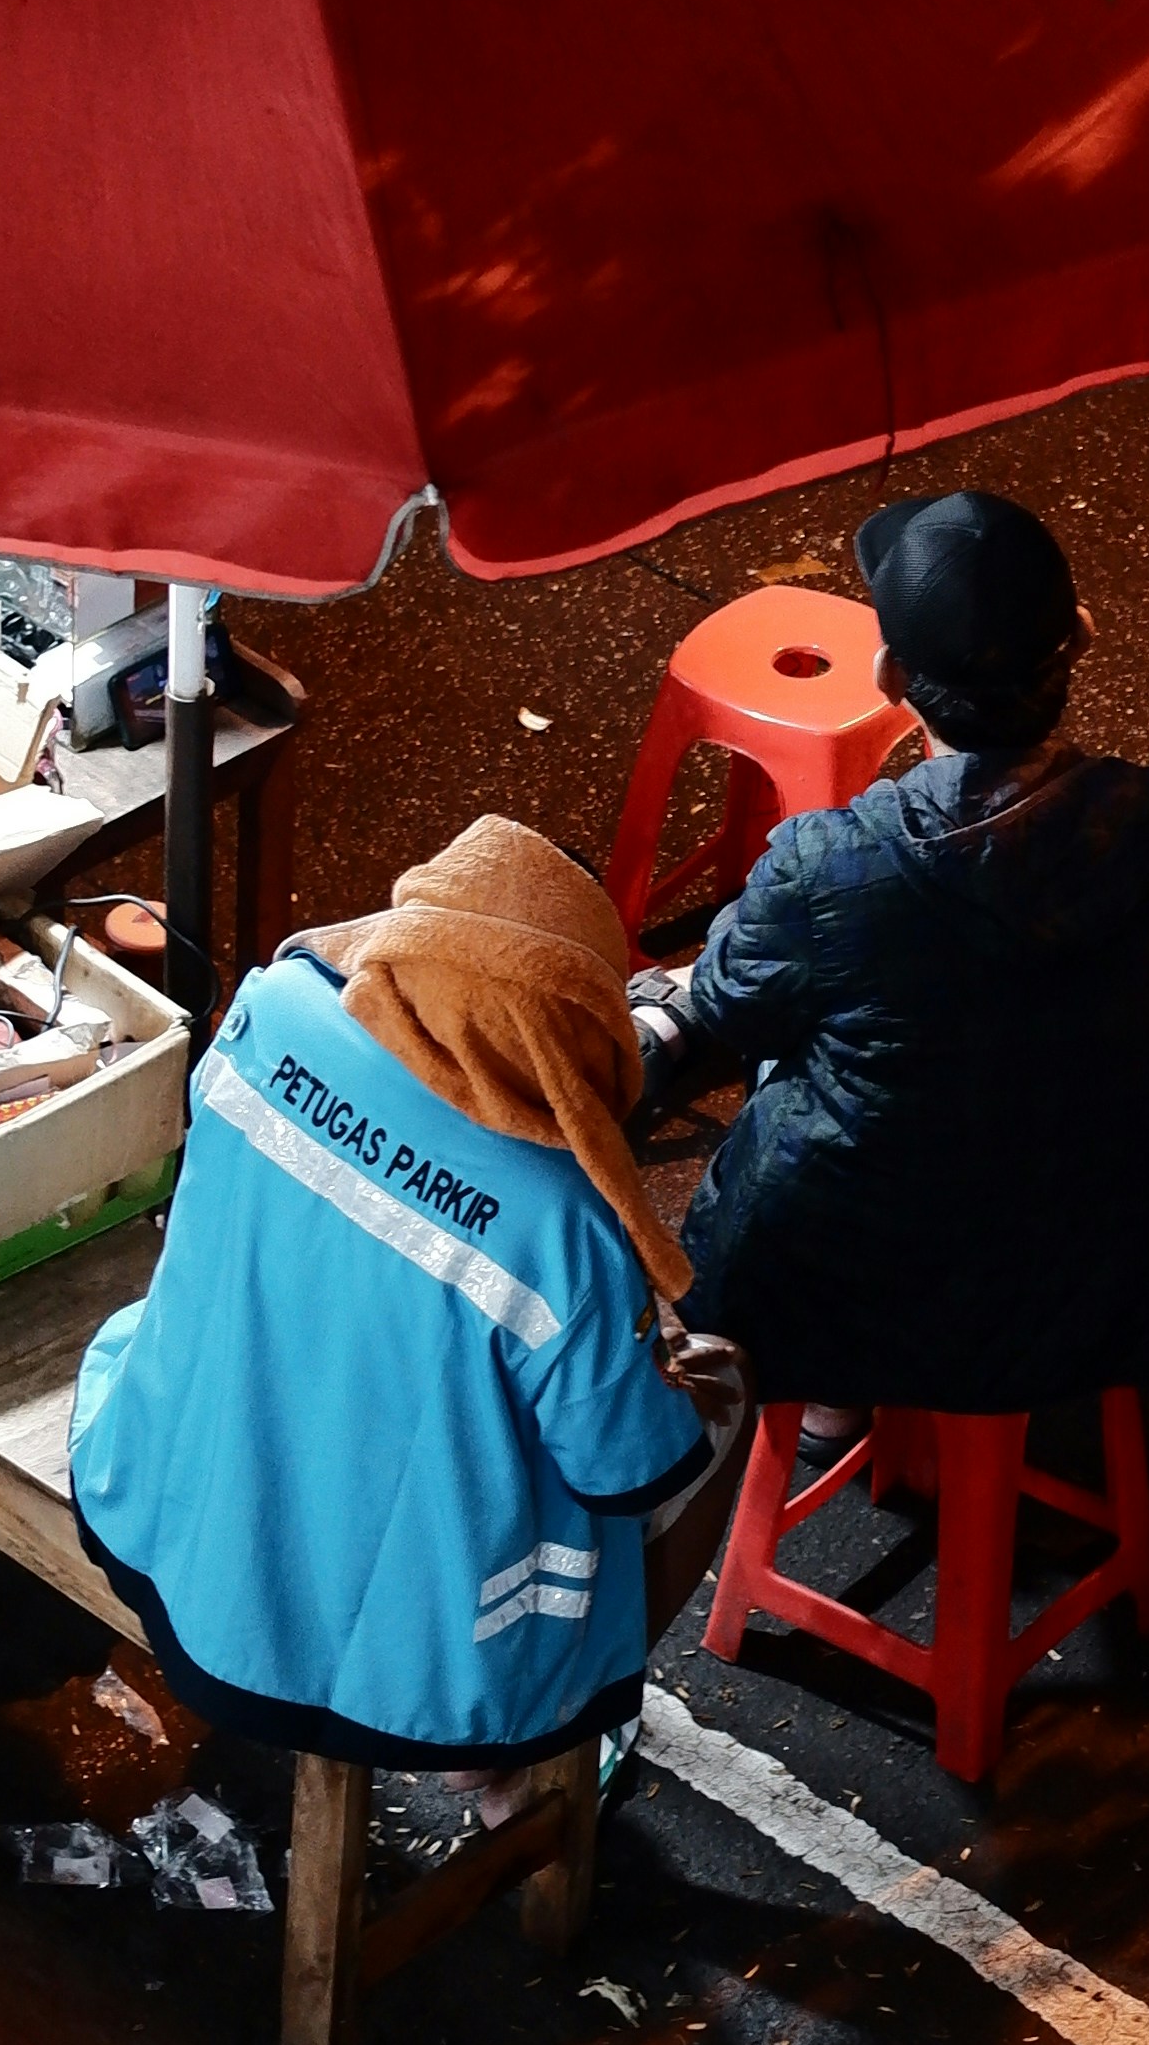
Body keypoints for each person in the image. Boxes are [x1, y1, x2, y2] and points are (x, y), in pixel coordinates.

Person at [67, 816, 740, 1912]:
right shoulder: (561, 1224)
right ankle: (524, 1754)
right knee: (712, 1401)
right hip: (397, 1663)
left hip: (161, 1492)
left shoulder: (273, 1009)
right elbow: (629, 1469)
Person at [641, 490, 1149, 1424]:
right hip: (1126, 1280)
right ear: (1080, 636)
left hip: (856, 1295)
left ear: (887, 675)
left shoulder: (827, 867)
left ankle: (833, 1403)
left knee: (791, 1036)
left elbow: (728, 1007)